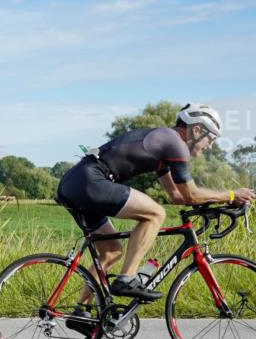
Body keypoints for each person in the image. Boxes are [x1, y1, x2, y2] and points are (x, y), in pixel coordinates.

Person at [57, 103, 254, 303]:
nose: (210, 146)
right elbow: (191, 195)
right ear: (196, 130)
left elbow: (177, 196)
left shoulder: (164, 147)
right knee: (155, 214)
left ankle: (81, 311)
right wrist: (230, 195)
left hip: (76, 182)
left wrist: (217, 203)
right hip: (92, 180)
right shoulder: (175, 144)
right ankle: (127, 279)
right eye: (210, 139)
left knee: (111, 252)